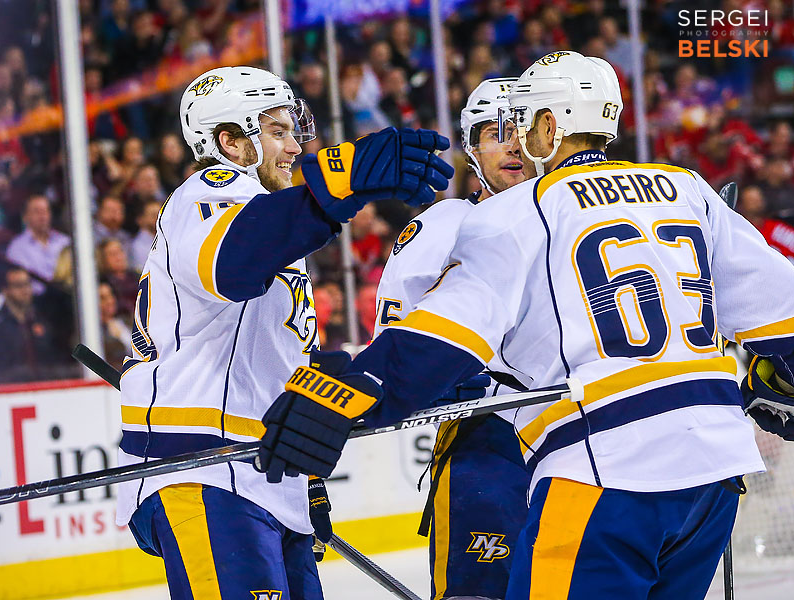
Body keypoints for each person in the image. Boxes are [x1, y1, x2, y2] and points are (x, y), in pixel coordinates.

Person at [257, 51, 794, 600]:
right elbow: (783, 310)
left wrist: (342, 395)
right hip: (716, 472)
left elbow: (439, 340)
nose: (517, 139)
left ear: (549, 125)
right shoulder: (686, 187)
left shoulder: (519, 211)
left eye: (523, 122)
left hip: (607, 465)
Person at [116, 65, 452, 600]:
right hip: (205, 469)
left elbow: (281, 359)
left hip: (265, 472)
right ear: (230, 142)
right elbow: (234, 262)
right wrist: (338, 184)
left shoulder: (272, 221)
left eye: (294, 131)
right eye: (277, 131)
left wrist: (307, 477)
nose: (295, 147)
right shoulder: (206, 193)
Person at [373, 78, 529, 600]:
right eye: (495, 133)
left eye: (523, 130)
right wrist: (437, 379)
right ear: (472, 149)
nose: (512, 145)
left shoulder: (574, 218)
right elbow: (393, 334)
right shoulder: (447, 223)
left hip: (586, 438)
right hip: (490, 446)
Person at [0, 267, 63, 382]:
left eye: (27, 284)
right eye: (18, 285)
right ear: (5, 290)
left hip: (45, 386)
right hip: (10, 387)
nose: (25, 290)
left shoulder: (43, 321)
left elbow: (54, 360)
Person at [5, 194, 70, 294]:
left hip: (67, 296)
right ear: (25, 217)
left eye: (46, 211)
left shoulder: (65, 241)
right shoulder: (17, 247)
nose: (43, 216)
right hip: (36, 299)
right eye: (37, 212)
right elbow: (21, 283)